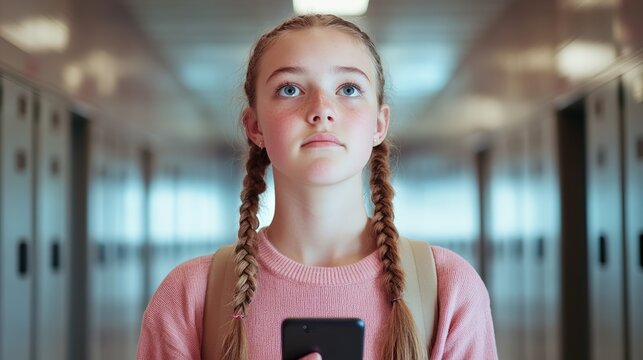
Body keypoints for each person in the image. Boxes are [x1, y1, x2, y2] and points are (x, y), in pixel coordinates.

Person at [137, 14, 497, 360]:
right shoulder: (190, 295)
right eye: (289, 89)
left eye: (349, 88)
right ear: (254, 126)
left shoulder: (449, 289)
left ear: (379, 123)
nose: (322, 110)